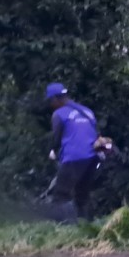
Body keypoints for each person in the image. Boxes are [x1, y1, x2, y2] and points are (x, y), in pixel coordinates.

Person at [45, 82, 101, 223]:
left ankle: (67, 227)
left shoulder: (59, 114)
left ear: (55, 99)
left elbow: (57, 137)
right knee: (82, 193)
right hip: (92, 157)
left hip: (74, 157)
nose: (51, 105)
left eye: (50, 101)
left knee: (61, 194)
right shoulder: (87, 111)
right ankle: (88, 225)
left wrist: (53, 150)